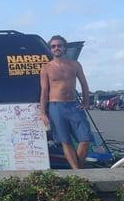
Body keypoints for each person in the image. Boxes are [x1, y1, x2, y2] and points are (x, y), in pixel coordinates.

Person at [39, 35, 94, 169]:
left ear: (64, 47)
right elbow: (44, 91)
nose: (56, 48)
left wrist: (86, 102)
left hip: (74, 105)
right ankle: (78, 173)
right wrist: (43, 113)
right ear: (50, 49)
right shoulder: (46, 68)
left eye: (59, 45)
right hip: (56, 107)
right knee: (65, 141)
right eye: (53, 46)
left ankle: (77, 171)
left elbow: (84, 84)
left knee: (85, 140)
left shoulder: (75, 64)